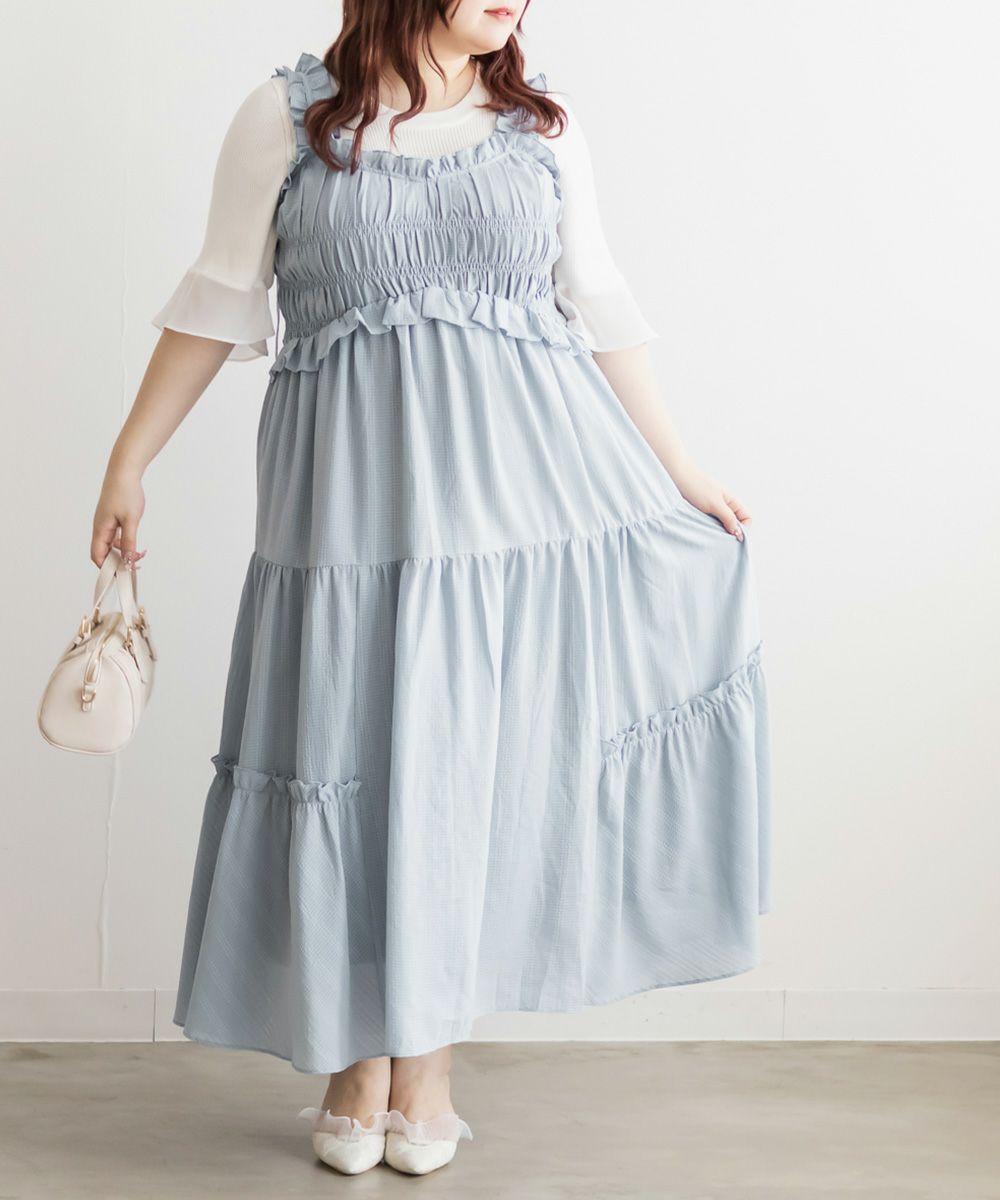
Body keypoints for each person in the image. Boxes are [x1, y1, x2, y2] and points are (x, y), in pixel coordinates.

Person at [91, 0, 774, 1178]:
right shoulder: (288, 120)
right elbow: (216, 294)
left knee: (469, 775)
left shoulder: (541, 127)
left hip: (523, 511)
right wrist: (128, 460)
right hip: (348, 510)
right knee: (355, 759)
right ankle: (358, 1057)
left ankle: (427, 1065)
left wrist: (677, 467)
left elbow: (596, 296)